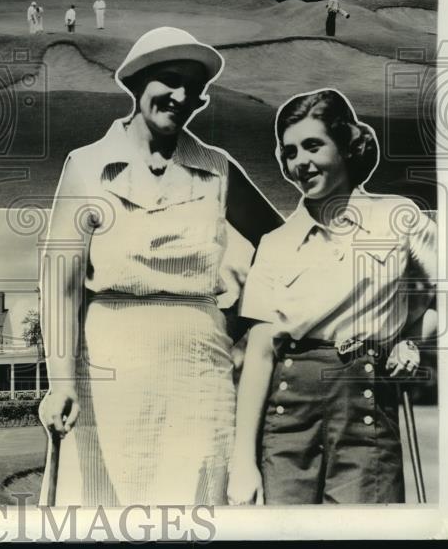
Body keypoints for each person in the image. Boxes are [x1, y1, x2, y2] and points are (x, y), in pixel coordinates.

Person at [38, 26, 283, 505]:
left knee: (197, 507)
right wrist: (61, 382)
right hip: (108, 370)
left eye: (194, 89)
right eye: (169, 80)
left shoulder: (216, 169)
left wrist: (244, 318)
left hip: (200, 373)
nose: (181, 96)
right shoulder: (88, 166)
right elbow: (60, 282)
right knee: (103, 510)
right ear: (138, 84)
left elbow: (281, 242)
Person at [227, 89, 436, 505]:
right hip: (286, 419)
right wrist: (242, 461)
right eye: (289, 152)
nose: (300, 162)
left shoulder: (401, 218)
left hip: (366, 412)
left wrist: (412, 341)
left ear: (347, 147)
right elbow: (261, 355)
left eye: (313, 145)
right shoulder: (275, 243)